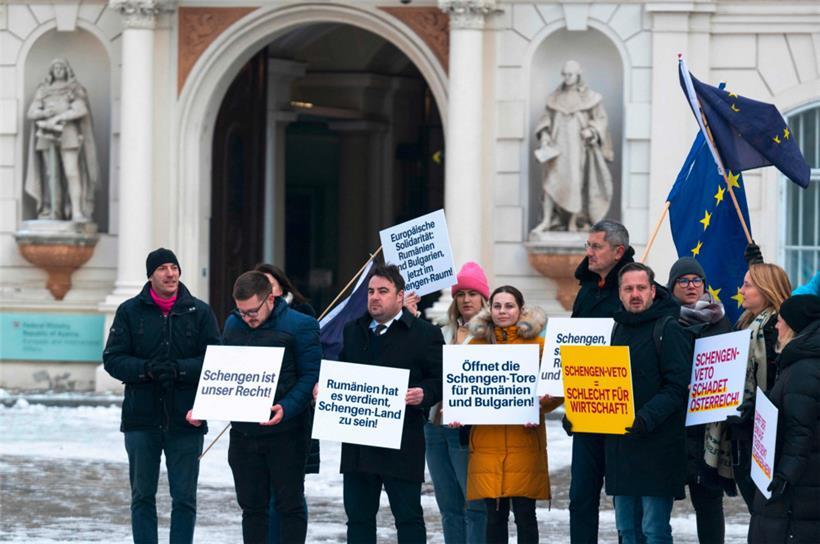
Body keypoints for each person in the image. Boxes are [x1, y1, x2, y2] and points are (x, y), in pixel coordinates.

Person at [103, 248, 220, 544]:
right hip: (141, 420)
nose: (170, 274)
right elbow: (113, 359)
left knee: (184, 498)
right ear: (150, 275)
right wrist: (147, 370)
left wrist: (180, 370)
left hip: (186, 420)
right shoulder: (130, 311)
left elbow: (216, 360)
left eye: (174, 267)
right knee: (142, 496)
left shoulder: (199, 311)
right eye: (162, 269)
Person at [320, 263, 443, 543]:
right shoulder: (353, 330)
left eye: (383, 291)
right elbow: (344, 373)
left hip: (402, 442)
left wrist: (424, 393)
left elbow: (440, 379)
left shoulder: (425, 334)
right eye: (371, 291)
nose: (375, 297)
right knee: (359, 520)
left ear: (400, 296)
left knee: (408, 518)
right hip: (358, 444)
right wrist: (326, 390)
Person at [216, 271, 320, 544]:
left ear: (270, 299)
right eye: (242, 312)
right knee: (251, 508)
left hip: (286, 433)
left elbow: (311, 376)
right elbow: (224, 370)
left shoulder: (301, 325)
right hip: (244, 434)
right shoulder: (233, 324)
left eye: (252, 311)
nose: (247, 318)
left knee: (289, 506)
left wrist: (286, 407)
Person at [462, 285, 562, 544]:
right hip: (487, 444)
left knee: (525, 516)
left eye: (509, 306)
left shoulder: (539, 346)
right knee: (494, 518)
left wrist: (543, 403)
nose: (503, 311)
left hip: (525, 444)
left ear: (520, 309)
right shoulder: (474, 346)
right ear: (489, 309)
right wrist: (458, 412)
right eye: (497, 306)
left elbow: (556, 390)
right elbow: (461, 390)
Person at [606, 262, 692, 544]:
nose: (635, 294)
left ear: (653, 291)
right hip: (622, 449)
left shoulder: (668, 328)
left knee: (654, 531)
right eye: (628, 288)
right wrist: (582, 414)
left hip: (658, 447)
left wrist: (645, 418)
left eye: (641, 288)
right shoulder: (617, 328)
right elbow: (606, 384)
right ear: (619, 293)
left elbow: (677, 387)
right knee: (627, 531)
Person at [564, 219, 635, 544]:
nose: (588, 253)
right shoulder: (586, 290)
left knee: (625, 499)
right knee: (580, 497)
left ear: (618, 251)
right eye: (588, 246)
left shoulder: (636, 289)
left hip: (621, 407)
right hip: (586, 409)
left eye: (596, 246)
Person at [667, 257, 735, 544]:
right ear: (672, 287)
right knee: (657, 504)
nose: (691, 285)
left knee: (709, 501)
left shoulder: (721, 321)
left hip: (707, 427)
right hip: (670, 422)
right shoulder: (665, 320)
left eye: (696, 280)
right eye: (683, 281)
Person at [423, 262, 489, 544]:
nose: (465, 300)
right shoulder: (441, 332)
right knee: (448, 507)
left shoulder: (492, 335)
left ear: (483, 298)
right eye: (460, 294)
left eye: (472, 293)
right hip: (435, 427)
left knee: (474, 505)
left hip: (466, 430)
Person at [253, 263, 318, 544]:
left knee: (290, 495)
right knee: (262, 496)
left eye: (270, 285)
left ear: (282, 287)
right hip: (257, 422)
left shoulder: (302, 317)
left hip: (292, 419)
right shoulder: (246, 321)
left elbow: (310, 369)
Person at [748, 295, 820, 543]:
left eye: (780, 321)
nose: (776, 326)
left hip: (799, 486)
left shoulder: (804, 369)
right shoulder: (800, 362)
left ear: (795, 325)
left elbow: (800, 430)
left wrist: (784, 476)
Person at [728, 263, 792, 508]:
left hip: (765, 434)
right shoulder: (745, 325)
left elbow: (778, 384)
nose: (741, 290)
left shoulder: (776, 330)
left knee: (766, 511)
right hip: (740, 430)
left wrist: (752, 409)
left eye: (748, 285)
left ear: (767, 289)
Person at [531, 60, 614, 234]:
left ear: (578, 74)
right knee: (550, 183)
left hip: (578, 150)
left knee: (577, 183)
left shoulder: (590, 97)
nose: (567, 78)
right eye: (565, 74)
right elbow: (545, 120)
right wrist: (545, 136)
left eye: (571, 74)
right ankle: (547, 220)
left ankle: (573, 223)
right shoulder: (554, 97)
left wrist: (592, 131)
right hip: (557, 149)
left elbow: (600, 120)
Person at [25, 57, 98, 221]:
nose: (58, 69)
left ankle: (77, 211)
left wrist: (59, 117)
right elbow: (31, 113)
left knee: (72, 172)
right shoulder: (43, 90)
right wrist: (44, 114)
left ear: (67, 69)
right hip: (46, 134)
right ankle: (53, 211)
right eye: (55, 67)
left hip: (68, 132)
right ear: (51, 71)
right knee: (51, 174)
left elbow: (81, 109)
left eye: (61, 66)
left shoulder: (74, 88)